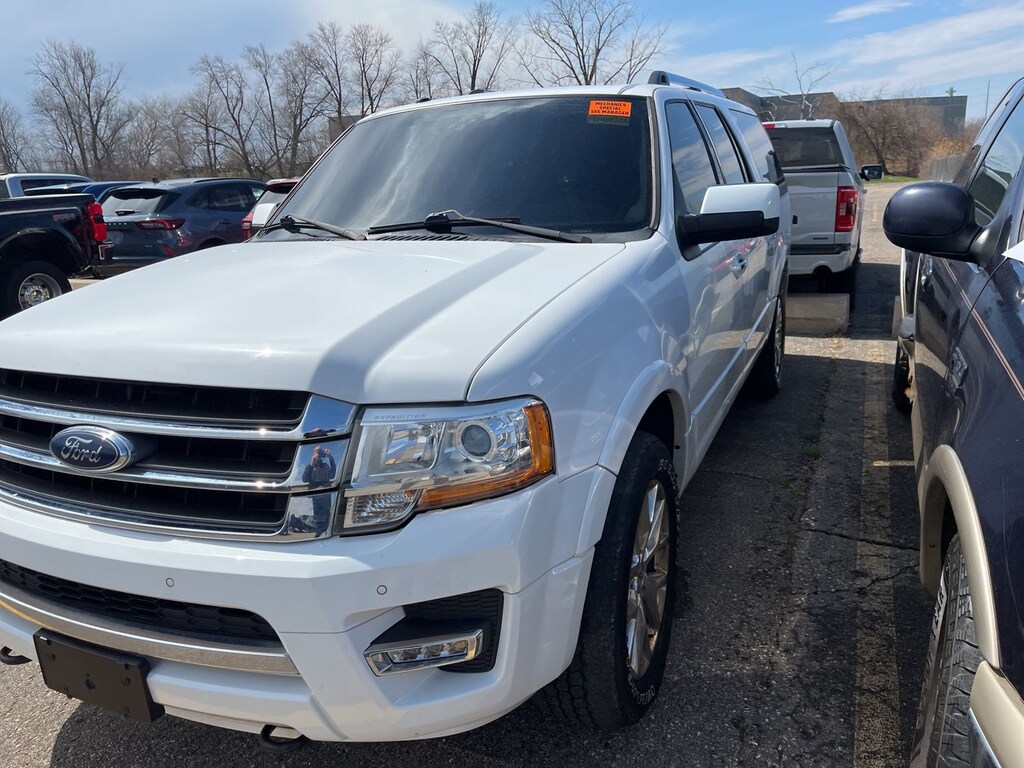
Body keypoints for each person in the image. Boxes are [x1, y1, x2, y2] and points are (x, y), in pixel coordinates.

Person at [302, 446, 337, 535]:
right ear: (313, 454)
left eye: (319, 451)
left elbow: (332, 475)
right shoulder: (309, 467)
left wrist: (330, 457)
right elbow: (304, 479)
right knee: (317, 517)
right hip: (315, 496)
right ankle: (318, 533)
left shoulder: (325, 466)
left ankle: (327, 532)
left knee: (327, 516)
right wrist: (311, 464)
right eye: (316, 452)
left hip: (326, 495)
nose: (318, 453)